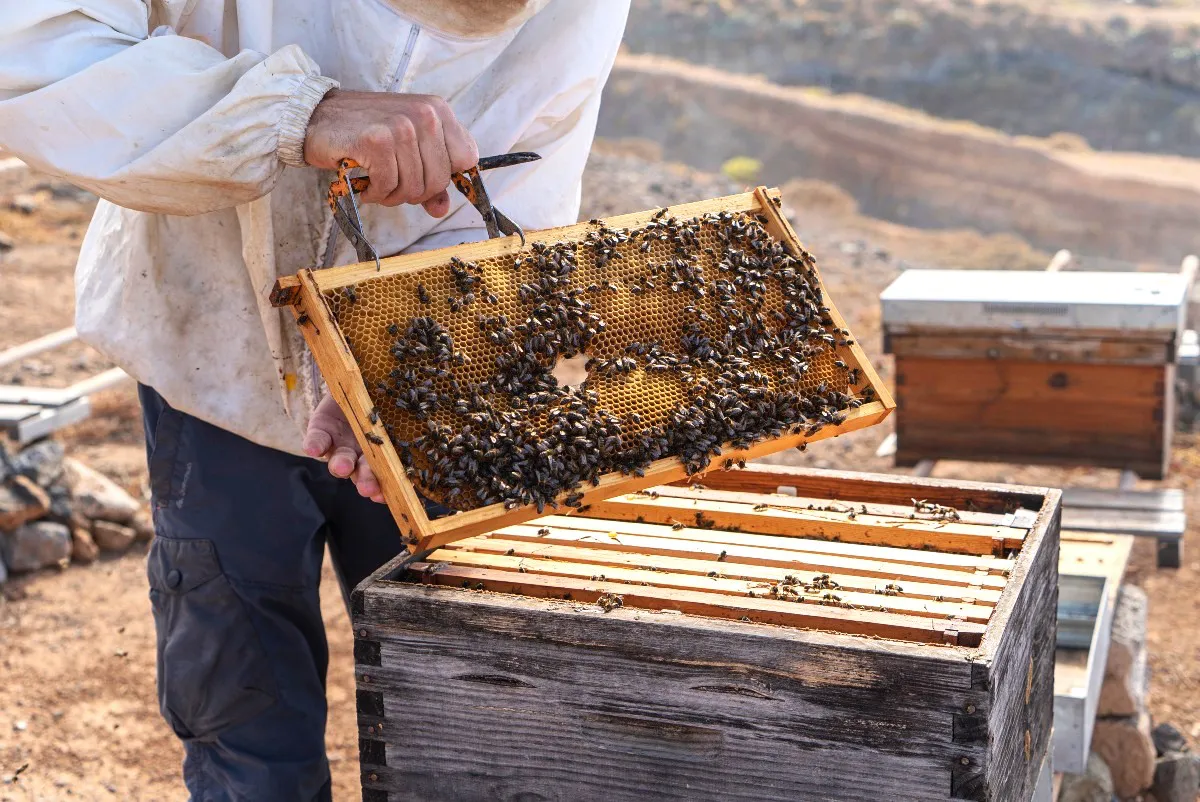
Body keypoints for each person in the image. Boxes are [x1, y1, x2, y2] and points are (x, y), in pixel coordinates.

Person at [0, 1, 630, 798]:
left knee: (461, 715)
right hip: (211, 362)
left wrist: (406, 367)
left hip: (424, 386)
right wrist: (297, 115)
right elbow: (30, 49)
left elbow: (525, 177)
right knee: (247, 722)